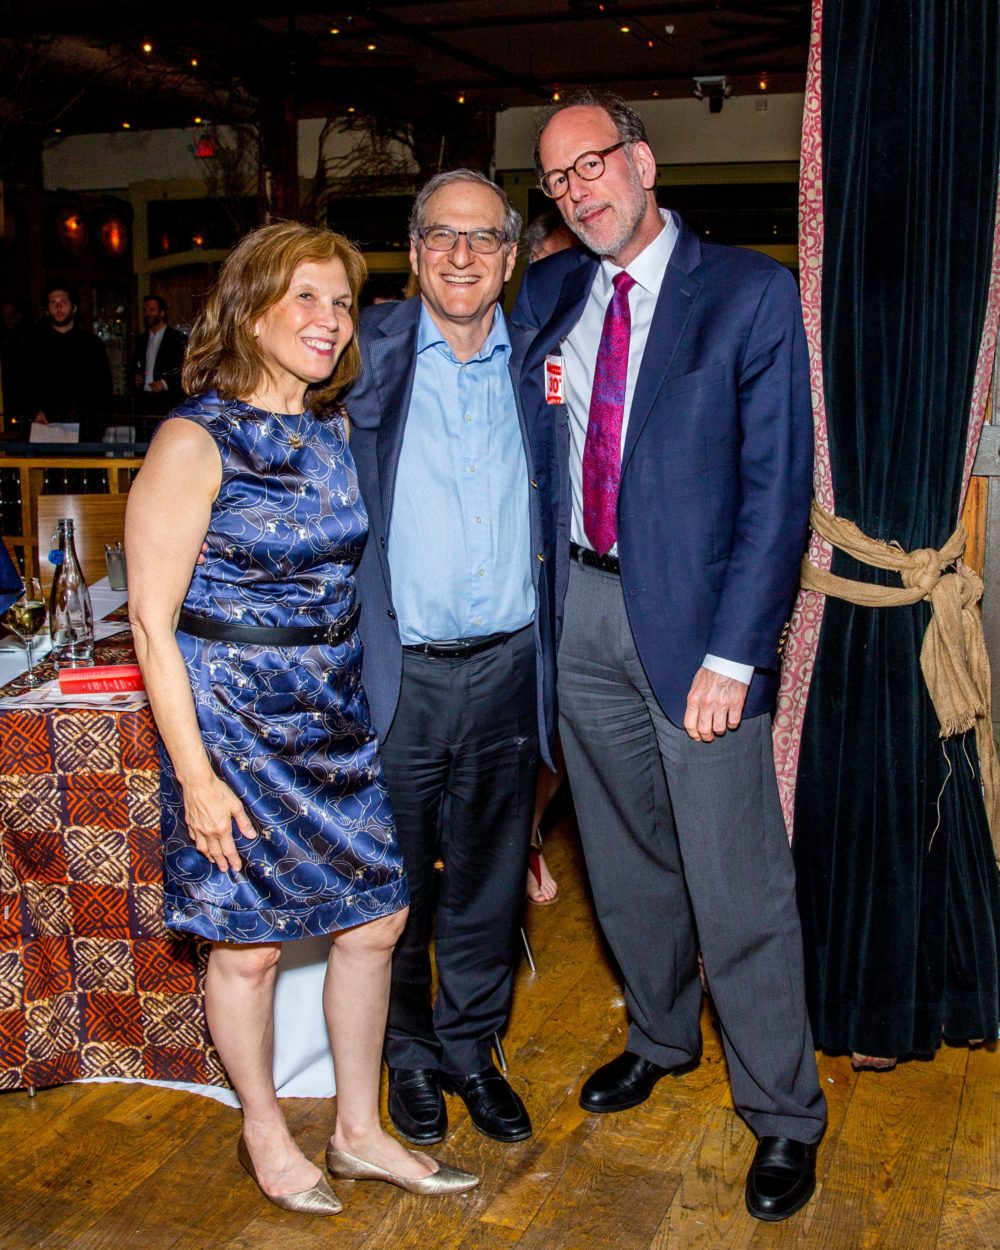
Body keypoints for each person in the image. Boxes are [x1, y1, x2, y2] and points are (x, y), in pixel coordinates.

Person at [514, 91, 826, 1223]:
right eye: (558, 179)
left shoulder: (747, 294)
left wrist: (736, 656)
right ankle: (658, 1034)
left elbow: (776, 491)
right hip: (581, 617)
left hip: (699, 635)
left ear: (643, 162)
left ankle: (782, 1108)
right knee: (623, 855)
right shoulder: (550, 293)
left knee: (735, 876)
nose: (578, 190)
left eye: (592, 163)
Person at [125, 222, 477, 1216]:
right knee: (248, 945)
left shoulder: (332, 432)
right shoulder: (195, 437)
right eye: (306, 298)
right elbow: (151, 625)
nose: (330, 320)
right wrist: (196, 777)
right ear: (251, 311)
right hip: (232, 723)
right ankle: (265, 1128)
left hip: (331, 714)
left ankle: (358, 1131)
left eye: (342, 302)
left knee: (379, 918)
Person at [346, 170, 559, 1147]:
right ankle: (407, 1055)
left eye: (482, 239)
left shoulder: (546, 359)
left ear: (510, 258)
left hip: (510, 668)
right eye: (441, 236)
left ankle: (473, 1048)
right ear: (414, 250)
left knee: (487, 877)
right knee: (394, 887)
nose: (461, 256)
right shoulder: (362, 352)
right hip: (399, 673)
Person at [28, 284, 113, 442]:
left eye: (63, 302)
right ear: (46, 310)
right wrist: (35, 411)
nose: (58, 307)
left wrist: (101, 420)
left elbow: (105, 386)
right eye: (53, 303)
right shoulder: (34, 345)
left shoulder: (92, 344)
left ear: (74, 308)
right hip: (47, 425)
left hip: (87, 426)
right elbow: (26, 383)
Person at [132, 294, 187, 415]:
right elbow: (134, 365)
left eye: (152, 310)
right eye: (145, 310)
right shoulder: (141, 339)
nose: (148, 314)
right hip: (144, 401)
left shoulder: (176, 338)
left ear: (162, 313)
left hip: (167, 401)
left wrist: (165, 383)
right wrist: (136, 377)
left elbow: (184, 368)